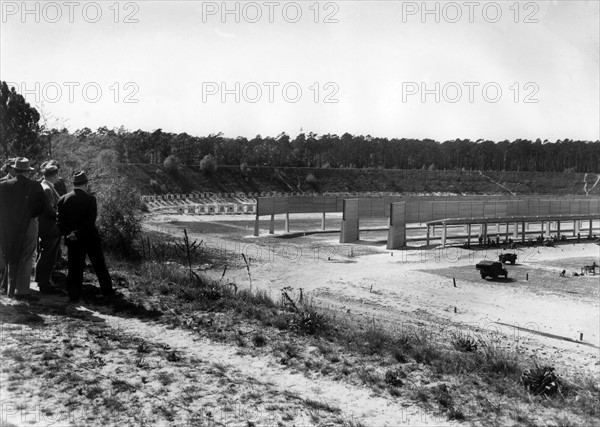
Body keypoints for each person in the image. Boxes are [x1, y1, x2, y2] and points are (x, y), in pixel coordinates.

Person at [57, 171, 113, 303]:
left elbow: (59, 221)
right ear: (86, 184)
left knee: (74, 268)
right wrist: (77, 233)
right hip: (89, 238)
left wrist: (69, 233)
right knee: (99, 265)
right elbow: (90, 222)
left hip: (72, 240)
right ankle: (107, 292)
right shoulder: (90, 199)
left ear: (74, 184)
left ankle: (73, 296)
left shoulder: (63, 199)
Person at [0, 158, 46, 298]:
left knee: (10, 255)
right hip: (28, 225)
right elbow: (41, 207)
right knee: (26, 256)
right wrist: (27, 215)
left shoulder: (3, 186)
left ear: (15, 170)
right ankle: (22, 291)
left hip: (9, 226)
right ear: (27, 171)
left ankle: (9, 289)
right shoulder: (35, 186)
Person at [35, 163, 63, 294]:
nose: (59, 177)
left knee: (46, 254)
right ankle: (44, 283)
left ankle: (42, 280)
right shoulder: (47, 189)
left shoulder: (46, 186)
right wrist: (62, 216)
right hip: (50, 227)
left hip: (47, 227)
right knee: (48, 255)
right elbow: (50, 210)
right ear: (54, 175)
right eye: (57, 174)